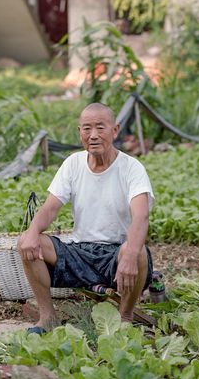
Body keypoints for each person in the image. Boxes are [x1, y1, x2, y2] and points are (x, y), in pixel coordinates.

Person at [17, 102, 155, 333]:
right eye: (86, 129)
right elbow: (51, 207)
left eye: (100, 128)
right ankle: (48, 317)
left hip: (116, 254)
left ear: (115, 130)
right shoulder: (73, 163)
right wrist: (31, 232)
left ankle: (125, 317)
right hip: (80, 251)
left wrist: (130, 254)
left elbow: (141, 216)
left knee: (137, 251)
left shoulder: (132, 168)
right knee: (28, 242)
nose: (93, 135)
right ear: (79, 132)